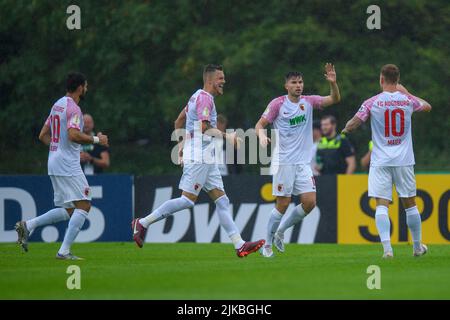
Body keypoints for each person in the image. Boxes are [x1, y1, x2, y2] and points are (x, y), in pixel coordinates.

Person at [132, 64, 265, 258]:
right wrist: (229, 137)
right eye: (221, 78)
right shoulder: (204, 99)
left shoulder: (195, 96)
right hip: (199, 156)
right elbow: (203, 128)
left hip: (205, 156)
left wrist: (180, 149)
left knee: (222, 200)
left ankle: (239, 244)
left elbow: (178, 122)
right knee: (187, 200)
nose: (224, 82)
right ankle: (142, 223)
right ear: (210, 80)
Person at [15, 72, 109, 260]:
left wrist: (58, 149)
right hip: (67, 164)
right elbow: (74, 135)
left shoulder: (57, 105)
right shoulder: (74, 109)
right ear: (80, 87)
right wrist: (98, 139)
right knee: (84, 204)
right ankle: (64, 251)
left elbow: (43, 135)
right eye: (86, 85)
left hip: (54, 161)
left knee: (69, 210)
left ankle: (29, 225)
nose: (87, 89)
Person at [342, 64, 431, 258]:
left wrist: (345, 130)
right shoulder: (407, 100)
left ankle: (387, 249)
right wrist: (407, 92)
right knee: (410, 204)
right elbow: (427, 106)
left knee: (381, 204)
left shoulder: (372, 102)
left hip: (380, 161)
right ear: (398, 80)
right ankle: (417, 247)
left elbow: (354, 123)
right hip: (404, 160)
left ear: (381, 79)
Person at [255, 63, 341, 257]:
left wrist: (333, 83)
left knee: (310, 203)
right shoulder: (277, 104)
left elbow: (335, 99)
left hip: (303, 164)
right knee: (283, 203)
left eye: (300, 82)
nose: (298, 85)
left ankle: (280, 231)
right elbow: (259, 124)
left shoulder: (309, 102)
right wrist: (261, 136)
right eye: (294, 82)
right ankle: (266, 245)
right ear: (286, 86)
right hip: (283, 162)